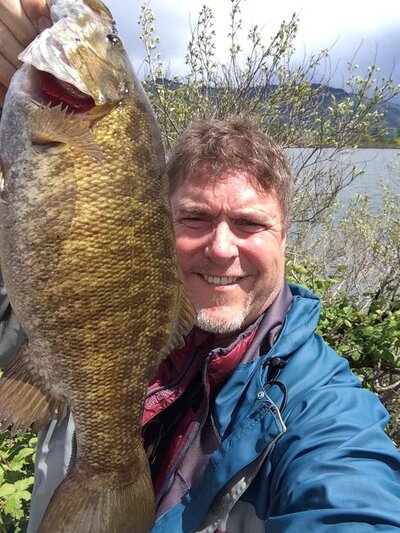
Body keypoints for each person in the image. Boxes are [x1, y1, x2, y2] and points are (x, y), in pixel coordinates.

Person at [0, 2, 400, 532]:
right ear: (151, 224)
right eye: (194, 217)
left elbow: (354, 503)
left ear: (285, 236)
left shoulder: (318, 408)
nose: (220, 248)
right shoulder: (100, 320)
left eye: (250, 224)